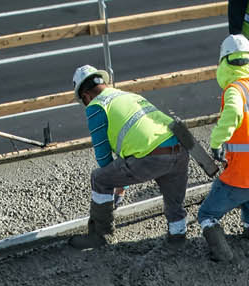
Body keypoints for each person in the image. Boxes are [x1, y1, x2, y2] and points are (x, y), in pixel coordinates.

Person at [67, 66, 189, 249]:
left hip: (151, 157)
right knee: (174, 199)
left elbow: (103, 157)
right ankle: (178, 237)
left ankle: (100, 235)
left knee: (100, 178)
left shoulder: (96, 106)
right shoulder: (128, 95)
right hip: (179, 149)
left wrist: (114, 186)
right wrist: (121, 186)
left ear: (86, 96)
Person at [198, 35, 249, 262]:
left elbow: (233, 113)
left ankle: (223, 253)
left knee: (206, 214)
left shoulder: (235, 90)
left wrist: (216, 143)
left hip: (239, 177)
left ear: (224, 63)